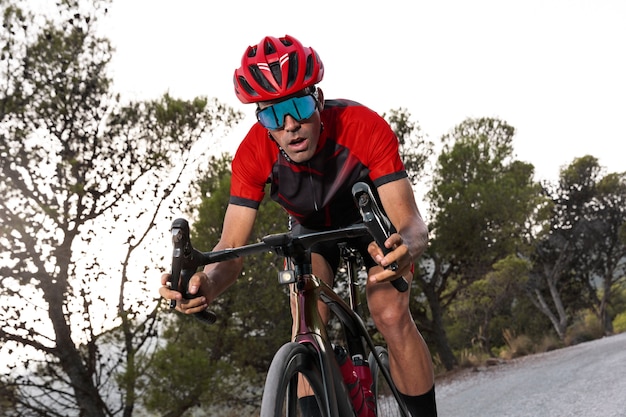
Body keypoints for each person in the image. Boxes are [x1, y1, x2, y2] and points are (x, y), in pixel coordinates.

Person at [159, 34, 437, 417]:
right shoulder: (252, 153)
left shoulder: (363, 125)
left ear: (318, 100)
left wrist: (405, 245)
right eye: (273, 114)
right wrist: (206, 283)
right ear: (263, 122)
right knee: (306, 322)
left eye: (299, 105)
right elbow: (231, 248)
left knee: (388, 310)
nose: (290, 125)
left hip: (371, 224)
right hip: (309, 231)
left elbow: (412, 223)